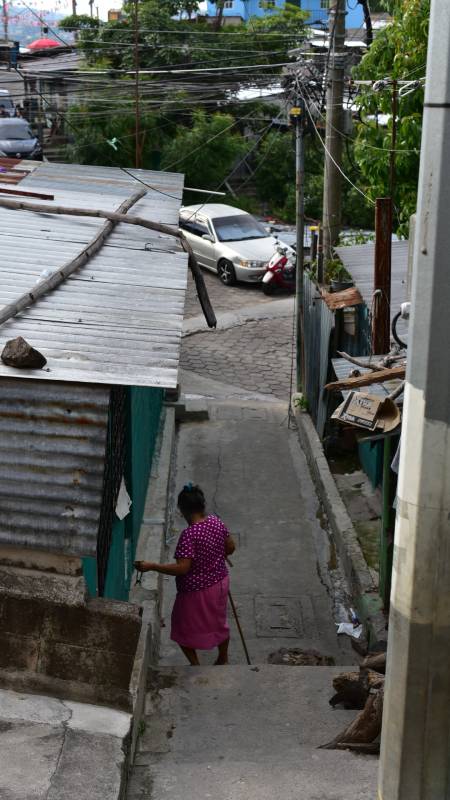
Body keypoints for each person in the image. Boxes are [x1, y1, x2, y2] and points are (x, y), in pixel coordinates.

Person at [134, 484, 235, 666]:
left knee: (182, 627)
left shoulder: (189, 535)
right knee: (219, 622)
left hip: (198, 590)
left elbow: (182, 569)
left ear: (182, 510)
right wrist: (218, 552)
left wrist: (152, 566)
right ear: (202, 505)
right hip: (220, 582)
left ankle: (195, 665)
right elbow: (231, 547)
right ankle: (223, 659)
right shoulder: (216, 522)